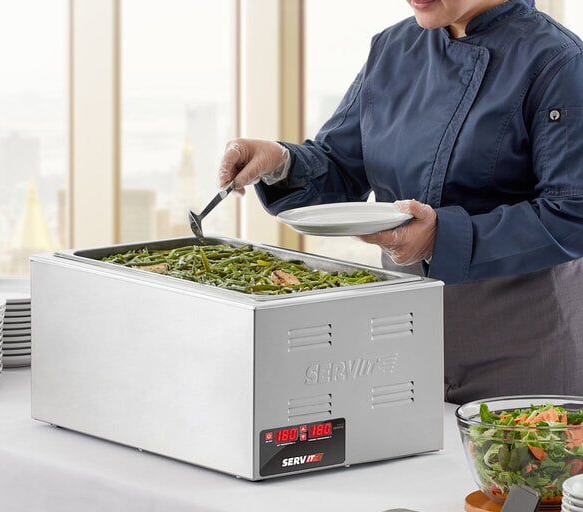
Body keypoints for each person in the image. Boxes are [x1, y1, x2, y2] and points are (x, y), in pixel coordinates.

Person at [217, 0, 583, 405]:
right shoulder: (393, 48)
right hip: (401, 344)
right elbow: (340, 166)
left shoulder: (560, 61)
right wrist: (282, 162)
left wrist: (439, 239)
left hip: (524, 349)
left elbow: (573, 212)